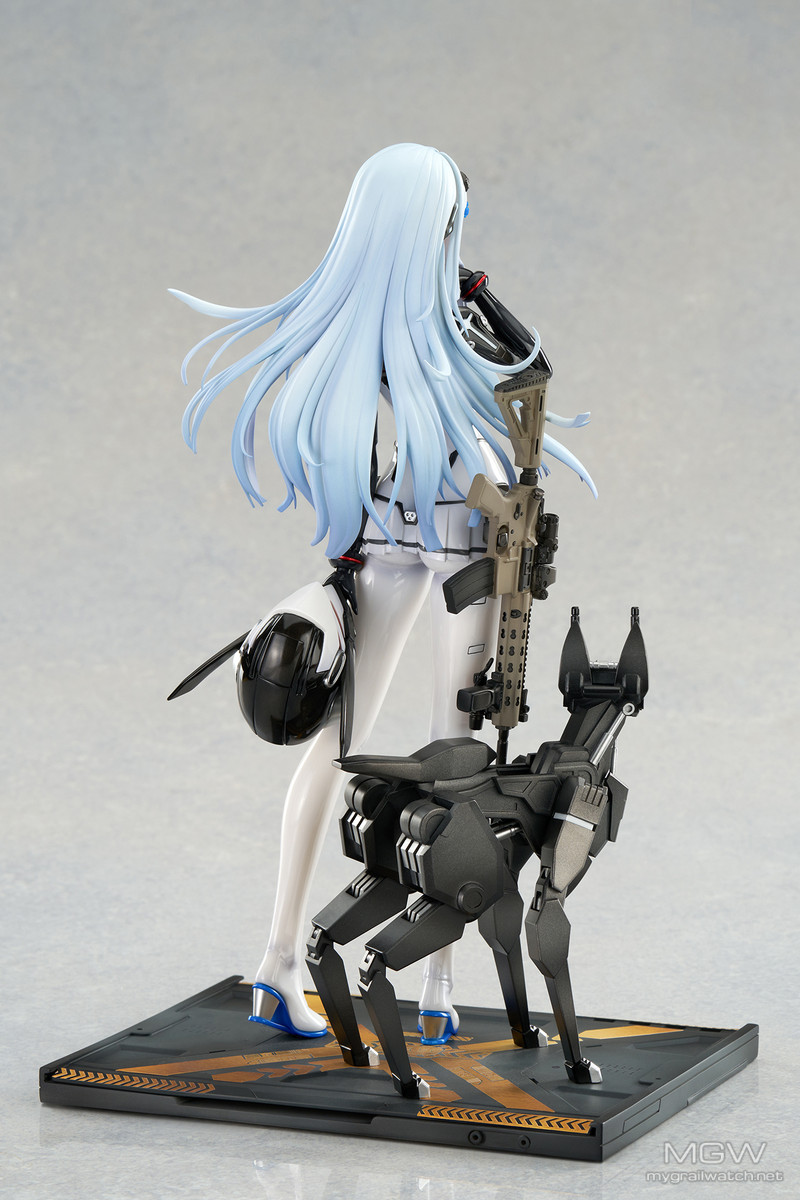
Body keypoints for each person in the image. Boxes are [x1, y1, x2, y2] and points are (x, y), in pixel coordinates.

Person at [172, 143, 594, 1040]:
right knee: (457, 756)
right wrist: (476, 294)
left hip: (390, 528)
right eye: (452, 219)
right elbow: (533, 369)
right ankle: (434, 987)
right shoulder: (442, 322)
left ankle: (282, 962)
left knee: (340, 745)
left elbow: (366, 434)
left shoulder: (365, 317)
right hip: (462, 533)